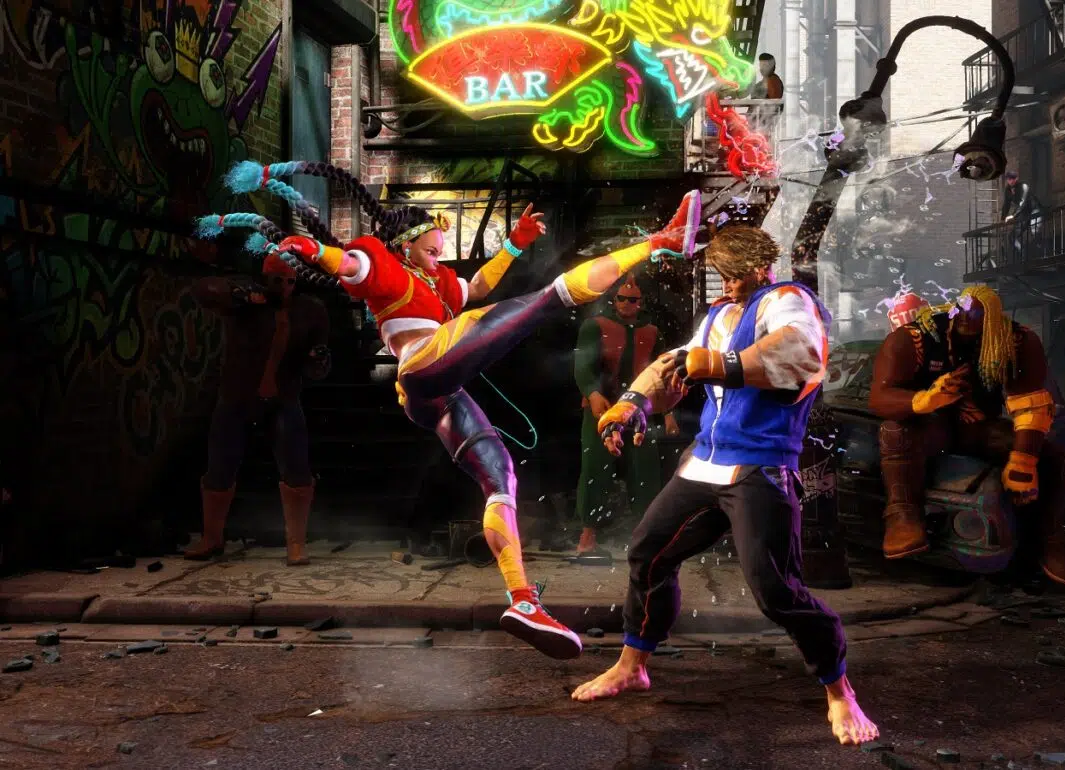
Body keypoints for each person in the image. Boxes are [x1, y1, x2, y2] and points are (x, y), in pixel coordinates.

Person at [197, 159, 702, 660]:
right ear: (406, 245)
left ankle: (522, 599)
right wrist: (316, 251)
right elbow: (350, 265)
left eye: (441, 251)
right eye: (432, 249)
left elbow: (476, 288)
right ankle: (662, 240)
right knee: (549, 298)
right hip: (425, 363)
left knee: (501, 477)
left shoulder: (435, 283)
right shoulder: (384, 266)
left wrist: (514, 245)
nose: (440, 257)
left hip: (435, 395)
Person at [571, 226, 879, 747]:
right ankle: (632, 665)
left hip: (760, 466)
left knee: (776, 590)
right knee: (648, 553)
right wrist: (632, 406)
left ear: (760, 267)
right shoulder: (718, 315)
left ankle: (839, 691)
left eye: (736, 275)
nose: (729, 283)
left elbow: (802, 354)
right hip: (704, 464)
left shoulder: (787, 301)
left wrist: (718, 364)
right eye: (722, 275)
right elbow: (675, 363)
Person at [867, 285, 1065, 589]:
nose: (965, 320)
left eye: (975, 316)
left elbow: (1031, 403)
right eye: (961, 313)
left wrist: (1023, 459)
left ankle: (1049, 537)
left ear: (992, 321)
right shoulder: (914, 338)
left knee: (1059, 446)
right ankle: (903, 516)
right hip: (930, 426)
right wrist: (925, 400)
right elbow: (880, 397)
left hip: (981, 427)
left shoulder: (1016, 340)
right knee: (895, 430)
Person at [185, 251, 331, 566]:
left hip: (283, 397)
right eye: (277, 280)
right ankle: (212, 538)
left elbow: (318, 362)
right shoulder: (246, 304)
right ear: (265, 278)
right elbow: (203, 290)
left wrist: (317, 359)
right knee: (220, 466)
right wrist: (239, 292)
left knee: (296, 469)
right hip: (238, 395)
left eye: (290, 281)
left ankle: (296, 543)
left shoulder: (308, 311)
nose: (284, 287)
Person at [573, 275, 678, 555]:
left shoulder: (652, 331)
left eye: (632, 299)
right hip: (603, 408)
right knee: (596, 469)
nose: (626, 304)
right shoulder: (595, 326)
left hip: (639, 410)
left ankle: (645, 536)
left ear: (640, 301)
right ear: (614, 299)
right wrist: (592, 393)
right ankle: (587, 537)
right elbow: (583, 364)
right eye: (621, 298)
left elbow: (663, 373)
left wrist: (668, 412)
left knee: (645, 471)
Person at [1001, 171, 1043, 260]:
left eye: (1013, 179)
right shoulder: (1008, 190)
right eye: (1009, 179)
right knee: (1012, 236)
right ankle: (1023, 254)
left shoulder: (1023, 186)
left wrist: (1013, 216)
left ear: (1016, 179)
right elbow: (1006, 205)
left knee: (1034, 230)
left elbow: (1022, 203)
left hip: (1034, 210)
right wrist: (1003, 218)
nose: (1011, 181)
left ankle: (1042, 252)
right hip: (1024, 213)